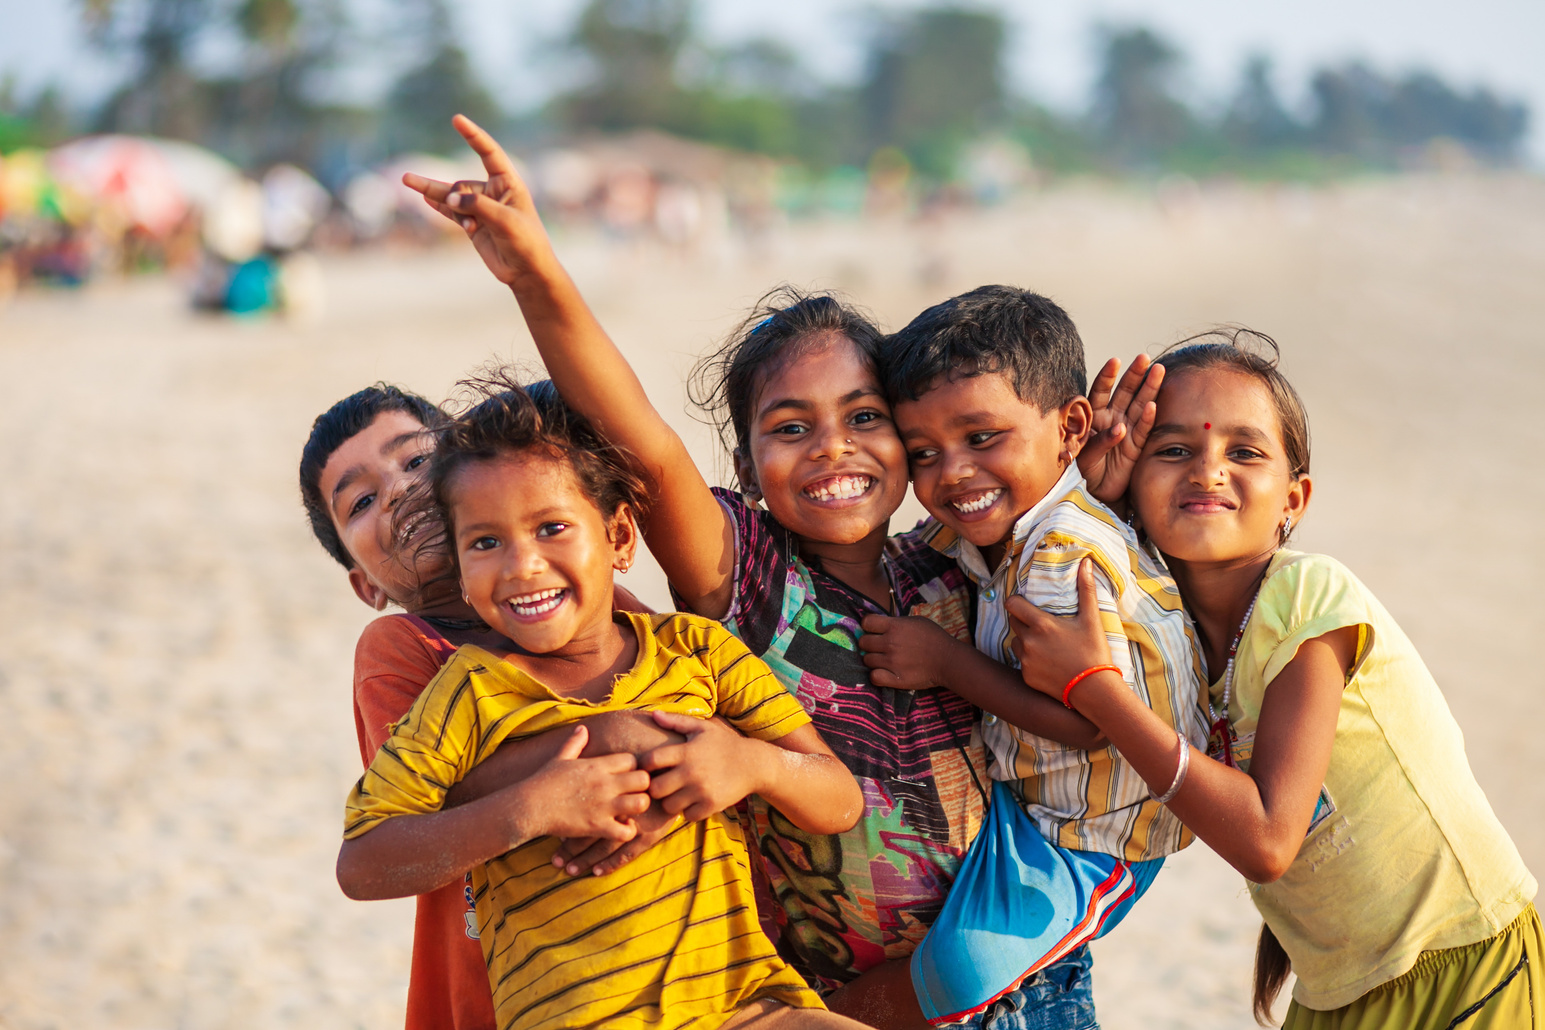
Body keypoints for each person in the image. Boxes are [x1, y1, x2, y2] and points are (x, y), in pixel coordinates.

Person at [1006, 329, 1540, 1029]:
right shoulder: (1169, 641)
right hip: (1335, 990)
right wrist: (1090, 501)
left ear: (1293, 500)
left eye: (1243, 451)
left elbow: (1266, 841)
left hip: (1462, 963)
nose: (1207, 470)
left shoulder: (1307, 597)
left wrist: (1097, 689)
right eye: (1171, 451)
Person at [336, 372, 869, 1030]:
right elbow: (363, 864)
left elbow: (838, 799)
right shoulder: (465, 694)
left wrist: (749, 766)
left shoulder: (692, 650)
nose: (522, 564)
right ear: (463, 574)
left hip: (746, 1007)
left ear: (620, 538)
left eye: (551, 527)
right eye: (485, 542)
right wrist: (530, 808)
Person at [875, 286, 1208, 1028]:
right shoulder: (998, 522)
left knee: (961, 971)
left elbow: (1087, 721)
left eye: (981, 438)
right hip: (1035, 801)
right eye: (923, 453)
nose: (952, 472)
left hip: (1099, 834)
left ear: (1070, 427)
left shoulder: (1061, 548)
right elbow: (905, 554)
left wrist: (942, 662)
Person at [300, 383, 658, 1030]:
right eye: (361, 500)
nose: (401, 490)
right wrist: (617, 739)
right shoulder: (401, 648)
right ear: (363, 584)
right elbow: (424, 805)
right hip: (499, 992)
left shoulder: (603, 609)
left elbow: (689, 712)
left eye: (415, 461)